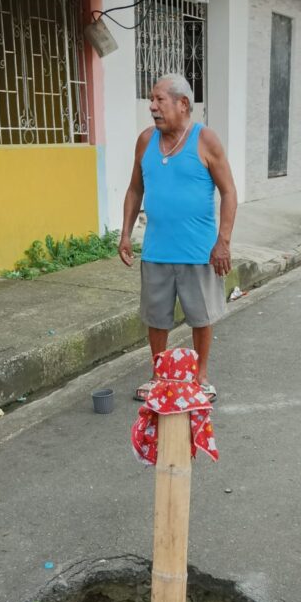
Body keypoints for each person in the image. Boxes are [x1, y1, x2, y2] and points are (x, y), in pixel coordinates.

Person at [119, 74, 237, 401]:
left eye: (159, 100)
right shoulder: (145, 141)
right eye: (151, 100)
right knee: (156, 318)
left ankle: (200, 377)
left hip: (198, 251)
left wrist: (223, 241)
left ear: (183, 104)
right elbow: (134, 189)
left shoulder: (205, 140)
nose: (152, 107)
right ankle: (159, 376)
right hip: (157, 250)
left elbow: (229, 193)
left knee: (201, 317)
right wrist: (126, 233)